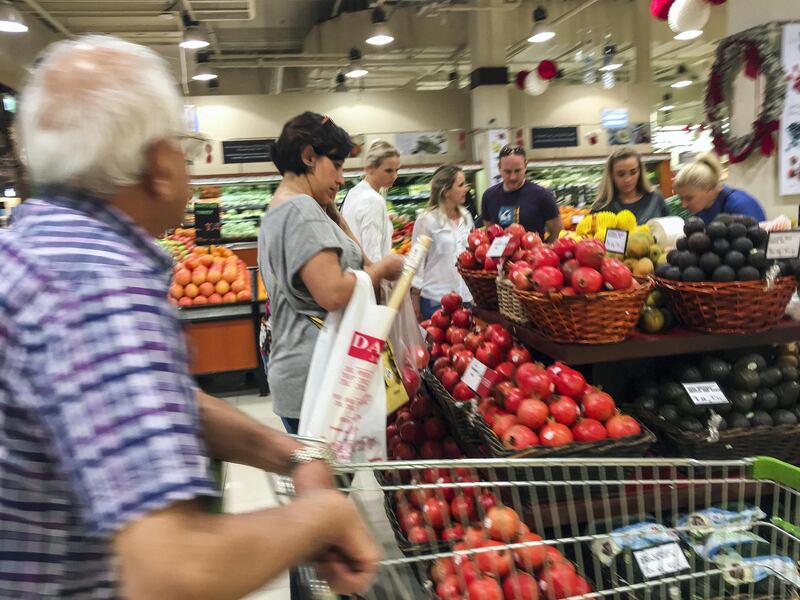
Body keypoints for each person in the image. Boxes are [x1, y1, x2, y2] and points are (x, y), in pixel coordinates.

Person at [1, 36, 380, 599]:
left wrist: (294, 453)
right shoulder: (102, 283)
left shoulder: (29, 249)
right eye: (185, 145)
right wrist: (323, 519)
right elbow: (172, 572)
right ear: (158, 163)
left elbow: (146, 397)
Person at [259, 112, 404, 436]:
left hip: (304, 372)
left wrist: (332, 210)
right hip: (318, 376)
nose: (341, 178)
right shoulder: (301, 211)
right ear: (309, 157)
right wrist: (382, 269)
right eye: (336, 166)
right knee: (329, 482)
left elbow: (352, 262)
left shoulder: (285, 207)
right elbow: (333, 293)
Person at [411, 165, 474, 321]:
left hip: (465, 297)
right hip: (436, 299)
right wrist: (415, 300)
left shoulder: (466, 216)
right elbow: (417, 262)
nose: (466, 189)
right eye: (460, 185)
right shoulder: (427, 220)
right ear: (446, 191)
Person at [480, 145, 561, 241]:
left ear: (526, 165)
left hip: (533, 255)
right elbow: (489, 231)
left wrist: (542, 249)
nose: (513, 177)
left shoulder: (542, 195)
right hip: (499, 255)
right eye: (507, 171)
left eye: (518, 171)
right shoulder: (489, 196)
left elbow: (556, 230)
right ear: (499, 167)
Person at [342, 139, 400, 263]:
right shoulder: (373, 200)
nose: (395, 176)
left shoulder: (354, 192)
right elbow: (372, 253)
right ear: (370, 169)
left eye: (397, 170)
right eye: (389, 170)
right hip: (369, 277)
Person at [674, 153, 766, 224]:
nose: (683, 205)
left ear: (708, 189)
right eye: (680, 198)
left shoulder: (740, 205)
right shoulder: (701, 208)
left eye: (689, 198)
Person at [591, 148, 668, 224]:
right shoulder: (601, 207)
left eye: (633, 172)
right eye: (621, 174)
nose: (628, 179)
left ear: (640, 172)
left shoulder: (655, 199)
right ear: (611, 176)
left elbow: (670, 230)